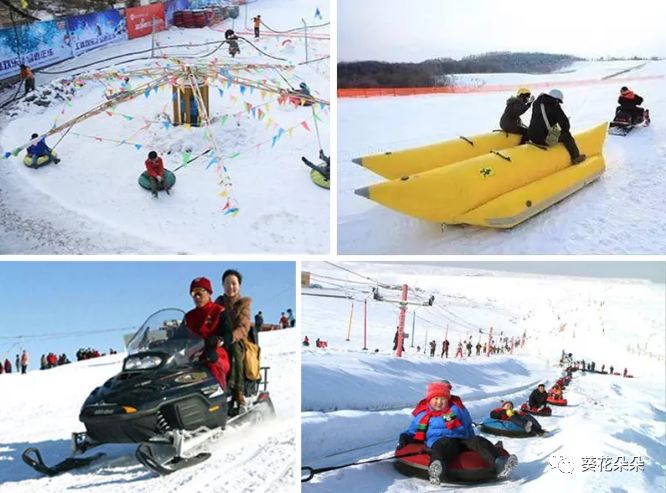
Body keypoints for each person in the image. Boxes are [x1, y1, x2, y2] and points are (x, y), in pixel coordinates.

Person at [399, 381, 518, 484]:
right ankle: (437, 467)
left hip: (462, 439)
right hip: (442, 441)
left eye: (443, 399)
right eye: (436, 399)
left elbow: (467, 424)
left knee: (478, 441)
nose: (439, 402)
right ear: (430, 400)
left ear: (447, 399)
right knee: (442, 445)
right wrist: (406, 437)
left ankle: (500, 464)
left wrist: (472, 438)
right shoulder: (424, 414)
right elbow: (413, 430)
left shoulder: (456, 409)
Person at [214, 269, 253, 414]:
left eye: (234, 283)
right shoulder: (217, 305)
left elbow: (244, 327)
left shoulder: (243, 304)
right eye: (227, 283)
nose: (230, 287)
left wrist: (230, 338)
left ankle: (238, 393)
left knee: (234, 352)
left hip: (237, 340)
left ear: (239, 286)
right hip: (219, 340)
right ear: (222, 285)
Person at [184, 277, 231, 390]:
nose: (197, 297)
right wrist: (164, 343)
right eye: (194, 293)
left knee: (212, 361)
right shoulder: (189, 316)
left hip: (215, 351)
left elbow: (228, 334)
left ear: (209, 293)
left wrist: (218, 340)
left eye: (200, 292)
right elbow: (180, 336)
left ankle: (221, 393)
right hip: (195, 353)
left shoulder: (219, 311)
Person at [527, 89, 586, 165]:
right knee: (567, 135)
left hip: (532, 137)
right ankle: (576, 157)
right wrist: (561, 129)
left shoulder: (536, 104)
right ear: (557, 99)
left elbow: (542, 120)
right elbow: (565, 124)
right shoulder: (554, 105)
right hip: (545, 140)